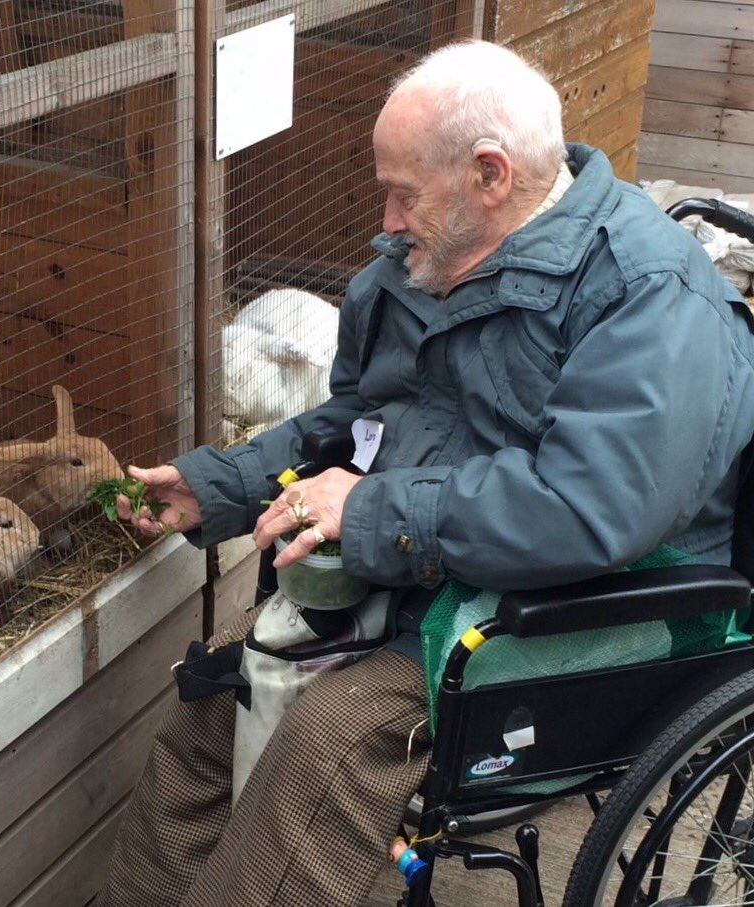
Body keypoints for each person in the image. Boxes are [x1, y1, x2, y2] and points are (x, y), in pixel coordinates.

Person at [96, 40, 754, 907]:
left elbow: (589, 509)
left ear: (490, 174)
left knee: (328, 741)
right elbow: (355, 425)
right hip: (428, 568)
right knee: (215, 697)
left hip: (591, 601)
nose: (388, 217)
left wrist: (371, 505)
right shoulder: (423, 263)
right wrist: (222, 484)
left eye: (403, 192)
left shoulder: (648, 295)